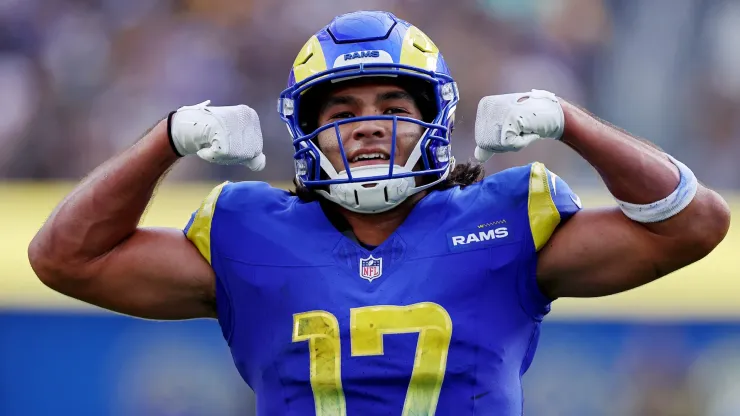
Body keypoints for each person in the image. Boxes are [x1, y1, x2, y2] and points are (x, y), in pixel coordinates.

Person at [28, 10, 730, 416]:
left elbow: (694, 223)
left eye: (392, 107)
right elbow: (64, 258)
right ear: (305, 130)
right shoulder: (248, 230)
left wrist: (571, 122)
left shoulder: (505, 219)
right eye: (342, 110)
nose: (367, 126)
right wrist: (168, 138)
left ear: (434, 121)